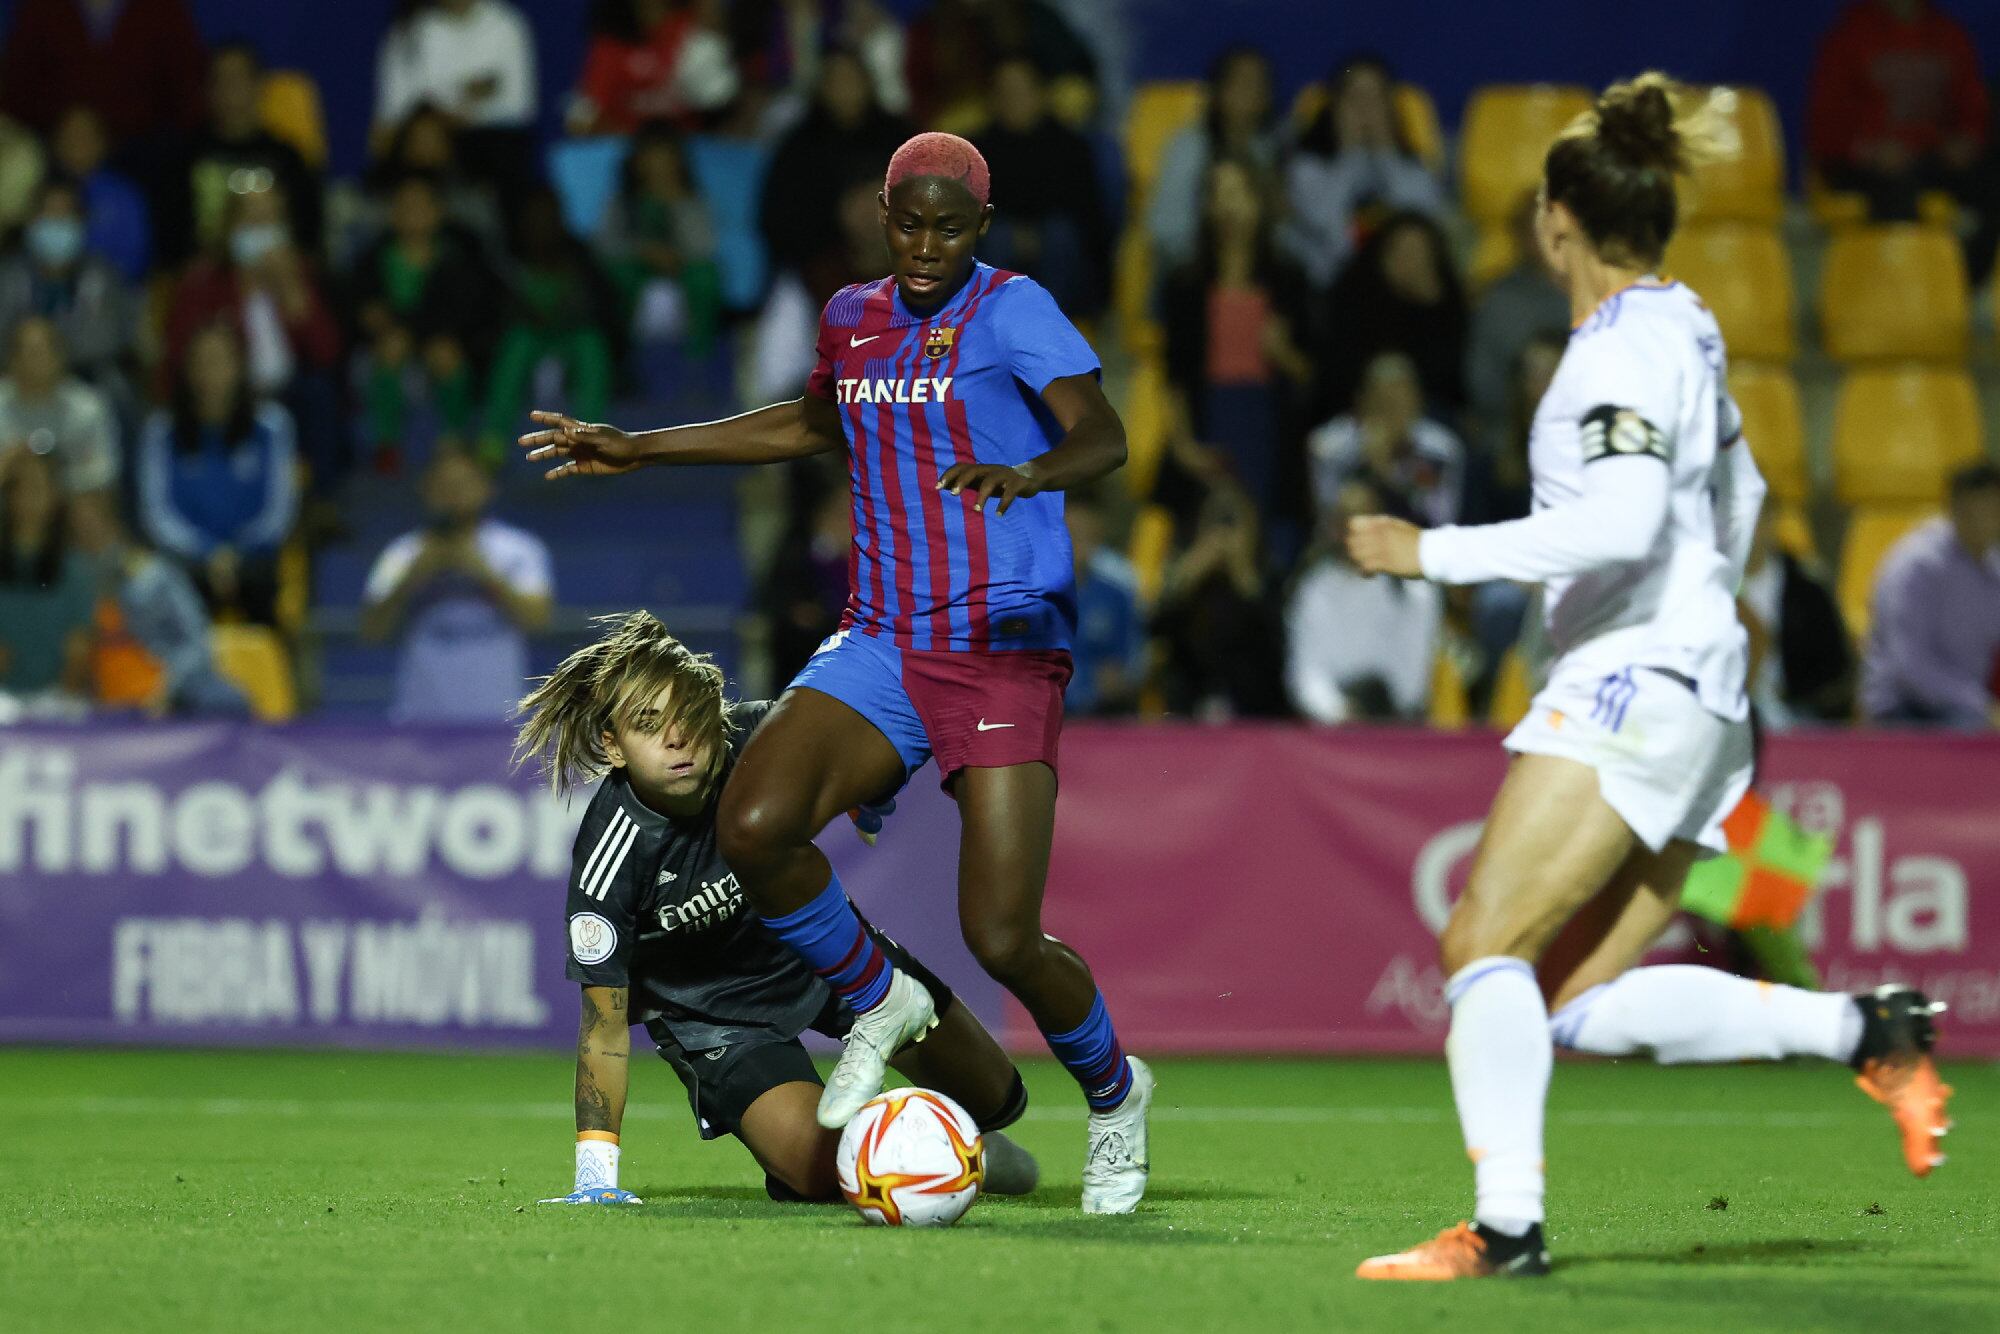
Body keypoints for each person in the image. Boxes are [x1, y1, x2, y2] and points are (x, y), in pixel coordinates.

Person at [1348, 74, 1950, 1281]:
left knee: (1479, 942)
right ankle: (1866, 1026)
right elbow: (1745, 495)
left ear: (1550, 221)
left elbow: (1621, 523)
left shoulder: (1610, 358)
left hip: (1635, 682)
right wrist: (1707, 610)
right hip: (1699, 692)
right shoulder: (1687, 323)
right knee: (1566, 1001)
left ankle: (1506, 1227)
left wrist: (1432, 552)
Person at [520, 132, 1154, 1214]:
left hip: (999, 647)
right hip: (884, 638)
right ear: (882, 210)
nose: (922, 244)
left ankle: (1113, 1092)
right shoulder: (851, 317)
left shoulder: (1013, 309)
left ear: (980, 229)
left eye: (947, 227)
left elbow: (1103, 435)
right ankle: (880, 998)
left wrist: (1030, 471)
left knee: (1002, 933)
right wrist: (643, 445)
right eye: (907, 221)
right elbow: (810, 424)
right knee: (755, 820)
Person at [516, 611, 1039, 1206]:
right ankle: (840, 1156)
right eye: (647, 725)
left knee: (998, 1098)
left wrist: (873, 790)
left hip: (828, 959)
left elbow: (882, 728)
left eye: (689, 717)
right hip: (719, 1020)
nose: (677, 739)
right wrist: (595, 1177)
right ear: (612, 746)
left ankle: (961, 1139)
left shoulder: (764, 743)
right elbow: (604, 1029)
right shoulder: (611, 856)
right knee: (827, 1174)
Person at [1160, 157, 1314, 528]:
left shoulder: (1290, 279)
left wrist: (1283, 354)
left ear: (1260, 202)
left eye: (1238, 193)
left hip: (1269, 421)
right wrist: (1183, 446)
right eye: (1217, 194)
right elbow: (1175, 374)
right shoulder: (1186, 284)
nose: (1228, 205)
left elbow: (1313, 375)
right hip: (1208, 414)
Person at [160, 175, 342, 479]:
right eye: (252, 220)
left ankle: (321, 501)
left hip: (287, 390)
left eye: (271, 220)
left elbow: (328, 353)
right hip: (225, 392)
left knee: (319, 393)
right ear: (231, 226)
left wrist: (292, 295)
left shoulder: (300, 274)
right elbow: (180, 352)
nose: (262, 231)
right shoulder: (203, 282)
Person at [1808, 0, 1997, 282]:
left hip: (1929, 157)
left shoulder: (1947, 34)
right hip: (1866, 164)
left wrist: (1967, 139)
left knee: (1991, 181)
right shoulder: (1851, 34)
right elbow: (1823, 125)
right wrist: (1869, 151)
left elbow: (1973, 109)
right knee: (1896, 191)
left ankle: (1961, 286)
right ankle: (1904, 290)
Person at [361, 449, 551, 724]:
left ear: (487, 488)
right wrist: (411, 580)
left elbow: (539, 620)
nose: (453, 494)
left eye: (463, 483)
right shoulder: (404, 553)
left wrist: (486, 575)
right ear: (425, 489)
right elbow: (371, 631)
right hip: (420, 718)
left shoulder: (518, 549)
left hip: (497, 717)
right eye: (443, 485)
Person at [136, 321, 298, 623]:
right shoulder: (161, 431)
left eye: (220, 361)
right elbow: (157, 515)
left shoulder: (273, 426)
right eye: (201, 362)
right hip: (188, 563)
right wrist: (208, 553)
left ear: (239, 367)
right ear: (187, 371)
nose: (210, 373)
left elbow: (279, 512)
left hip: (253, 561)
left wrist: (236, 554)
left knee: (264, 595)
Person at [351, 171, 498, 467]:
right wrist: (375, 320)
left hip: (439, 336)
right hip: (390, 339)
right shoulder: (375, 257)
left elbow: (464, 311)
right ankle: (387, 442)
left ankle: (454, 437)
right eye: (404, 207)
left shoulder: (456, 257)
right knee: (390, 350)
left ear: (438, 212)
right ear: (392, 214)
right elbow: (361, 304)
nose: (413, 215)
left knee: (447, 356)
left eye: (421, 207)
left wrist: (418, 332)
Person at [69, 492, 248, 717]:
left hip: (169, 689)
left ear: (116, 526)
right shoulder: (71, 586)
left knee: (226, 702)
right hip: (105, 704)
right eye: (79, 532)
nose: (91, 540)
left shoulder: (155, 578)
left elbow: (197, 643)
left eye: (96, 528)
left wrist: (168, 689)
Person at [1283, 54, 1448, 292]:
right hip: (1330, 288)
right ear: (1335, 106)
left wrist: (1385, 151)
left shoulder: (1411, 165)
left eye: (1375, 99)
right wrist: (1349, 154)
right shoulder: (1307, 166)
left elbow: (1420, 218)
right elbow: (1324, 226)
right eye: (1355, 98)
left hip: (1397, 289)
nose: (1365, 109)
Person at [479, 188, 620, 463]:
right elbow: (491, 315)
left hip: (570, 336)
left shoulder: (578, 254)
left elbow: (602, 308)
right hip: (528, 338)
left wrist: (568, 313)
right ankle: (493, 439)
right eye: (534, 216)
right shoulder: (507, 258)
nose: (540, 222)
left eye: (547, 215)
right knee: (516, 345)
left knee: (590, 344)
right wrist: (524, 314)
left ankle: (588, 439)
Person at [158, 41, 325, 269]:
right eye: (221, 80)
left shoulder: (286, 157)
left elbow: (308, 236)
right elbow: (170, 239)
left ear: (259, 85)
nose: (230, 90)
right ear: (208, 90)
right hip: (208, 281)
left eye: (238, 79)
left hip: (274, 273)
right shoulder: (184, 156)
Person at [1287, 476, 1439, 723]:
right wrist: (1338, 711)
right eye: (1342, 519)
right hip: (1335, 723)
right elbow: (1307, 671)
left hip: (1398, 723)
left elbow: (1415, 674)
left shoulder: (1412, 588)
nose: (1350, 529)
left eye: (1359, 518)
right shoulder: (1314, 588)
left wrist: (1384, 713)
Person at [1860, 462, 2000, 728]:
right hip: (1902, 710)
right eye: (1976, 510)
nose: (1986, 519)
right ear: (1956, 509)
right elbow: (1910, 669)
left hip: (1967, 707)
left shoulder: (1994, 570)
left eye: (1993, 510)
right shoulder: (1917, 567)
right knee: (1971, 727)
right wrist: (1981, 705)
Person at [759, 48, 912, 287]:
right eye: (836, 79)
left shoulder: (901, 137)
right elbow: (778, 219)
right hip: (818, 271)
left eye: (852, 78)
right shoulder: (799, 146)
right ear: (821, 88)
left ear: (868, 81)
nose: (845, 88)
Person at [972, 58, 1112, 320]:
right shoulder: (975, 151)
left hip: (1066, 262)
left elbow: (1089, 218)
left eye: (1021, 91)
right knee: (997, 237)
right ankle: (998, 328)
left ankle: (1048, 328)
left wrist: (1035, 235)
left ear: (1041, 93)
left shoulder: (1072, 147)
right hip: (998, 246)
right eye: (1004, 92)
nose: (1013, 100)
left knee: (1059, 234)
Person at [1152, 482, 1289, 720]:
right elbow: (1155, 632)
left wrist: (1245, 579)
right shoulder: (1187, 574)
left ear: (1251, 526)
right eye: (1215, 522)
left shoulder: (1269, 576)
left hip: (1254, 709)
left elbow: (1278, 652)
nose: (1223, 535)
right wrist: (1184, 582)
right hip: (1191, 706)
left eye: (1232, 522)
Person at [1316, 209, 1468, 423]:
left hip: (1429, 417)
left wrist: (1431, 302)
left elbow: (1453, 381)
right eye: (1401, 250)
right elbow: (1337, 376)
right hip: (1357, 414)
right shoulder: (1354, 299)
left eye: (1418, 252)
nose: (1409, 260)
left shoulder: (1449, 304)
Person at [373, 0, 539, 191]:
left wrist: (460, 114)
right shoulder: (409, 29)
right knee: (424, 136)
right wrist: (462, 97)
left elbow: (520, 107)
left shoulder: (507, 24)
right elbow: (393, 110)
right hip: (420, 135)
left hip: (485, 142)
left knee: (505, 152)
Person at [0, 178, 139, 399]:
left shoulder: (102, 276)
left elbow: (108, 341)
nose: (57, 222)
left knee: (116, 388)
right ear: (31, 220)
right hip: (17, 380)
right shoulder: (8, 275)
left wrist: (44, 357)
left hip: (86, 381)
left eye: (65, 214)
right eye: (48, 213)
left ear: (81, 221)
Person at [1147, 47, 1279, 274]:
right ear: (1218, 91)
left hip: (1261, 275)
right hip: (1193, 273)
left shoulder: (1275, 149)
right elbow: (1163, 226)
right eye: (1241, 81)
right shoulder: (1190, 144)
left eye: (1260, 83)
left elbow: (1285, 234)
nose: (1251, 91)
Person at [598, 120, 722, 357]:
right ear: (637, 162)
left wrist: (678, 204)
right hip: (635, 269)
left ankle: (697, 361)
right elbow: (605, 246)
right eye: (653, 157)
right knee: (616, 277)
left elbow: (706, 247)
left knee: (707, 277)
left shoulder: (692, 202)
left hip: (682, 269)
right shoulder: (621, 203)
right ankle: (620, 357)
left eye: (668, 156)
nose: (661, 165)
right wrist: (643, 251)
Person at [0, 0, 206, 141]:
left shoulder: (164, 9)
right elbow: (17, 94)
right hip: (53, 153)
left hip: (144, 155)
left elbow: (186, 96)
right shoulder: (40, 8)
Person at [1306, 350, 1463, 530]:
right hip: (1347, 549)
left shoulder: (1441, 449)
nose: (1393, 416)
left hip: (1414, 547)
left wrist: (1387, 472)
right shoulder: (1328, 446)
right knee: (1355, 499)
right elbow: (1327, 517)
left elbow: (1441, 520)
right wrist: (1367, 462)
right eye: (1384, 404)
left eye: (1401, 404)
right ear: (1362, 402)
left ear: (1418, 402)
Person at [1465, 192, 1569, 441]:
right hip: (1513, 434)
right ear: (1519, 236)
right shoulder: (1498, 300)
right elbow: (1483, 383)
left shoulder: (1602, 293)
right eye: (1532, 229)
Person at [1740, 506, 1855, 727]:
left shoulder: (1807, 588)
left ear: (1770, 520)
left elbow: (1834, 672)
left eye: (1752, 517)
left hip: (1799, 718)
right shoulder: (1704, 589)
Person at [0, 448, 94, 705]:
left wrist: (61, 701)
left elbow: (79, 646)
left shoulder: (73, 567)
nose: (29, 498)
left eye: (39, 488)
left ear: (54, 497)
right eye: (20, 488)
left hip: (56, 698)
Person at [568, 0, 739, 136]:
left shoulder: (693, 31)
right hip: (630, 153)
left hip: (689, 152)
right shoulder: (610, 45)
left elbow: (719, 97)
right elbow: (581, 122)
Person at [0, 315, 121, 500]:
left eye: (41, 352)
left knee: (90, 511)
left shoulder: (87, 406)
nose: (34, 362)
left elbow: (107, 470)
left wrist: (56, 479)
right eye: (27, 352)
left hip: (70, 499)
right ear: (12, 360)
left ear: (59, 356)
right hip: (9, 499)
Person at [1064, 489, 1144, 717]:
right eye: (1071, 534)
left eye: (1085, 535)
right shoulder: (1030, 595)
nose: (1078, 544)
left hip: (1102, 714)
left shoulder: (1117, 592)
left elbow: (1127, 665)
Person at [49, 105, 151, 284]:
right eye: (70, 134)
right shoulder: (44, 192)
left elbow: (136, 259)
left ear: (103, 142)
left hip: (111, 296)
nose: (76, 141)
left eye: (85, 134)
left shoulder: (124, 196)